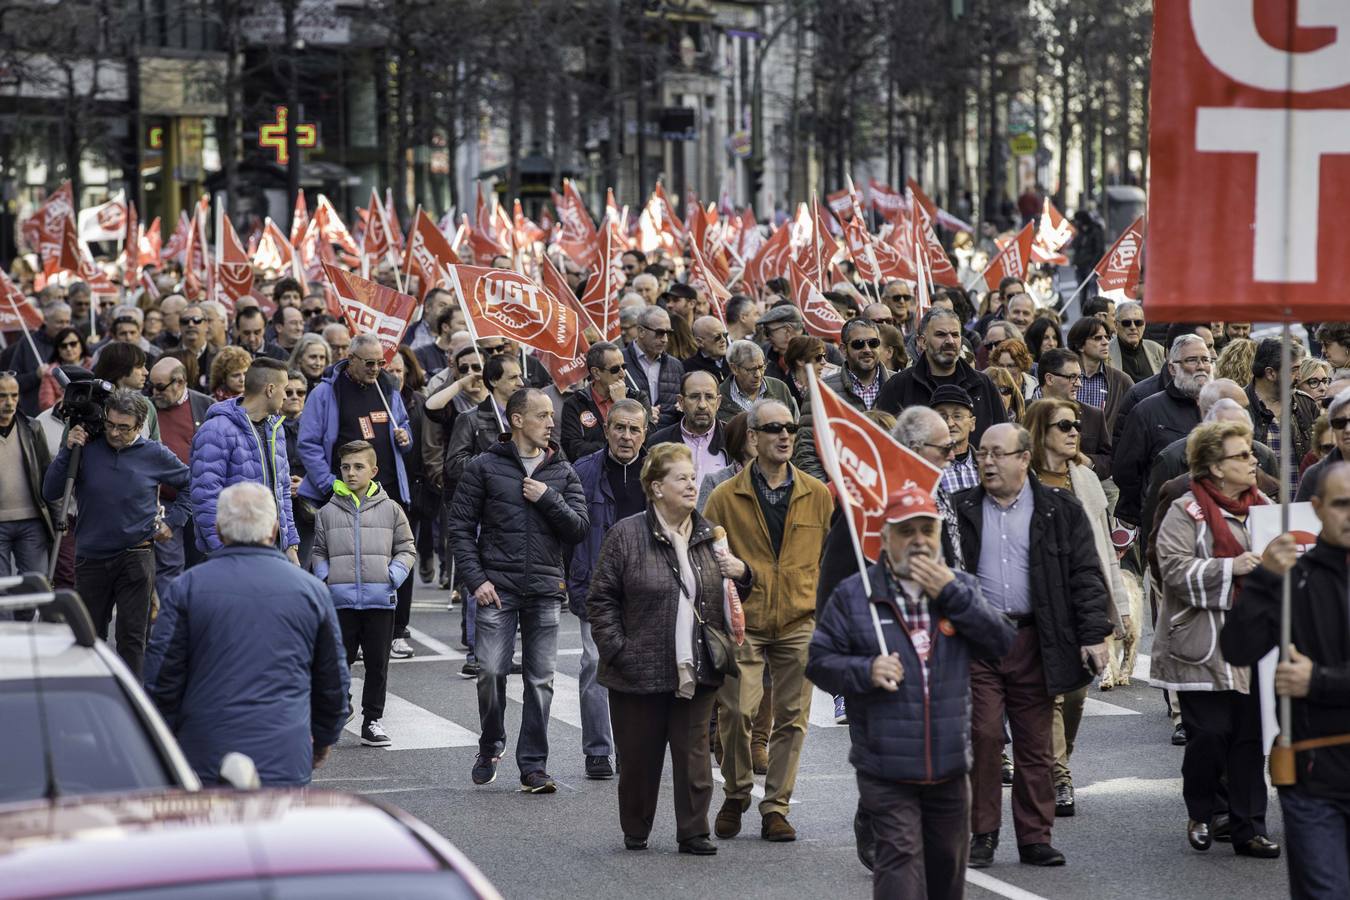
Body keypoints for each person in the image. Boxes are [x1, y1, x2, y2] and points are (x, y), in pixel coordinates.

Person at [809, 486, 1015, 898]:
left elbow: (1001, 642)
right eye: (907, 531)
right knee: (900, 864)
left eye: (927, 529)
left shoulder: (959, 587)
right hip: (886, 768)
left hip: (950, 765)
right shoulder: (857, 595)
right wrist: (865, 669)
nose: (919, 540)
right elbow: (819, 662)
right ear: (885, 539)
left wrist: (952, 595)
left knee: (945, 871)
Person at [954, 423, 1113, 868]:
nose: (987, 461)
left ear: (1024, 458)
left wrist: (1093, 635)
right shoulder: (959, 508)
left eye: (998, 453)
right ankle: (982, 833)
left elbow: (1085, 574)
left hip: (1036, 639)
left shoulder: (1059, 508)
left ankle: (1034, 837)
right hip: (980, 639)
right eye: (982, 453)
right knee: (983, 736)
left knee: (1036, 745)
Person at [586, 442, 753, 854]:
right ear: (656, 487)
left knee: (695, 755)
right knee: (640, 760)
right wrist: (618, 649)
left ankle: (694, 830)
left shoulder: (708, 533)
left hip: (696, 666)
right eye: (682, 478)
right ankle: (636, 828)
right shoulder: (626, 534)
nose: (692, 485)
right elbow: (601, 599)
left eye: (694, 478)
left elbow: (729, 595)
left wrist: (743, 573)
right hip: (636, 668)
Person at [142, 482, 348, 786]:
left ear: (219, 529)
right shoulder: (311, 591)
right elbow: (332, 681)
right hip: (285, 752)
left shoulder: (187, 588)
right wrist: (324, 739)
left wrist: (165, 737)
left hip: (206, 752)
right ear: (275, 529)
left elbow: (162, 677)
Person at [703, 399, 833, 843]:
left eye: (791, 428)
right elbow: (705, 559)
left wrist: (827, 613)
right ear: (752, 437)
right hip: (745, 622)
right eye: (773, 428)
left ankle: (775, 806)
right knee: (737, 711)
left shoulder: (818, 494)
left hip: (800, 620)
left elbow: (831, 560)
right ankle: (737, 791)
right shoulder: (725, 496)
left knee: (792, 719)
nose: (784, 436)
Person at [447, 388, 588, 793]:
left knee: (540, 681)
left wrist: (548, 499)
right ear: (517, 420)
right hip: (498, 589)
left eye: (551, 415)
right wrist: (477, 580)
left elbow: (579, 528)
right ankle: (491, 743)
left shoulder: (561, 470)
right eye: (542, 415)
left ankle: (533, 766)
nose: (550, 422)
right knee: (490, 672)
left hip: (544, 589)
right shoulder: (483, 467)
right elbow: (459, 528)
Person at [1152, 420, 1280, 859]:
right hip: (1201, 646)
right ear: (1213, 466)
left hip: (1254, 645)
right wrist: (1232, 568)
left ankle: (1249, 828)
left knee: (1248, 738)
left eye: (1251, 453)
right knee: (1209, 735)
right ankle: (1201, 809)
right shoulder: (1185, 511)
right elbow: (1172, 569)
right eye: (1242, 455)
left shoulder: (1265, 509)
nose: (1253, 461)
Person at [1221, 462, 1350, 897]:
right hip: (1313, 774)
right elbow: (1237, 650)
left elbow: (1316, 680)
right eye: (1341, 504)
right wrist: (1262, 581)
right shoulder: (1294, 578)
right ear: (1317, 508)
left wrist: (1319, 682)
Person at [1024, 398, 1129, 817]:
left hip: (1082, 599)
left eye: (1076, 425)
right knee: (1046, 693)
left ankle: (1058, 758)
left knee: (1074, 695)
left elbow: (1104, 546)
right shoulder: (1023, 478)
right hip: (1037, 600)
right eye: (1063, 425)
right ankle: (1058, 776)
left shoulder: (1084, 477)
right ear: (1039, 432)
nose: (1073, 432)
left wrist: (1115, 604)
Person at [42, 389, 192, 677]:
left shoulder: (154, 454)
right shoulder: (88, 448)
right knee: (89, 637)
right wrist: (68, 450)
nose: (114, 432)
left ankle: (130, 704)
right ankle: (90, 694)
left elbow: (189, 484)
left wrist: (173, 522)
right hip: (91, 557)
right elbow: (50, 490)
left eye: (123, 428)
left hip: (135, 555)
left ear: (139, 426)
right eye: (110, 424)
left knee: (133, 638)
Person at [311, 440, 416, 749]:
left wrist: (392, 576)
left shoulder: (391, 509)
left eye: (358, 467)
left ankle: (372, 720)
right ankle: (341, 706)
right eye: (345, 467)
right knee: (339, 660)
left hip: (379, 601)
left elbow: (406, 548)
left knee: (377, 664)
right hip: (340, 601)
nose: (351, 473)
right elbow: (318, 550)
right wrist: (325, 576)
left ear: (374, 470)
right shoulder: (328, 511)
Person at [567, 399, 649, 781]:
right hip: (597, 585)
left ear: (644, 433)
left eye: (634, 429)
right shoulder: (582, 471)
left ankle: (639, 745)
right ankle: (599, 751)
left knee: (645, 670)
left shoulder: (657, 470)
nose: (626, 436)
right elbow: (566, 530)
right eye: (619, 427)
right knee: (594, 666)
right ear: (606, 429)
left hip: (649, 586)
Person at [189, 357, 300, 562]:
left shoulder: (276, 428)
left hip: (273, 552)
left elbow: (283, 491)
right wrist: (222, 552)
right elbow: (205, 497)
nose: (286, 396)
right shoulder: (216, 430)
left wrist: (290, 543)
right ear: (270, 389)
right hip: (232, 554)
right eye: (284, 389)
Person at [297, 334, 413, 518]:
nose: (375, 369)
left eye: (380, 363)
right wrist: (328, 484)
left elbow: (404, 426)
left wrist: (405, 438)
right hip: (342, 497)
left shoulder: (388, 389)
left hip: (387, 493)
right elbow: (308, 444)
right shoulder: (325, 393)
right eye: (369, 363)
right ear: (351, 359)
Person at [1113, 334, 1212, 526]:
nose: (1201, 366)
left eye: (1206, 359)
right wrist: (1150, 506)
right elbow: (1125, 473)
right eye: (1192, 360)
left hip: (1214, 518)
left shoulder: (1221, 407)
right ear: (1172, 368)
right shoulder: (1147, 411)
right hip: (1165, 520)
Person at [877, 307, 1005, 444]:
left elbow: (1001, 437)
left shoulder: (983, 384)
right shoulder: (898, 386)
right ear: (922, 342)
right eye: (941, 335)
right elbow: (885, 443)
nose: (950, 341)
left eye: (955, 335)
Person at [147, 358, 212, 597]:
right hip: (163, 501)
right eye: (151, 386)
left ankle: (195, 619)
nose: (154, 393)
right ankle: (171, 623)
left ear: (180, 382)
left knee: (200, 564)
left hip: (200, 500)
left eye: (160, 387)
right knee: (169, 567)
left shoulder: (206, 406)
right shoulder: (147, 408)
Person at [1247, 338, 1320, 493]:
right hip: (1259, 507)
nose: (1299, 376)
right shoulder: (1239, 406)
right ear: (1270, 373)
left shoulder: (1306, 404)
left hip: (1303, 506)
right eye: (1294, 370)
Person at [0, 373, 53, 583]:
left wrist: (58, 518)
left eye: (14, 395)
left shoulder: (32, 428)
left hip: (32, 520)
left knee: (35, 585)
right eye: (2, 396)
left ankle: (26, 617)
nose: (9, 402)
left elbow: (47, 473)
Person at [1036, 348, 1112, 479]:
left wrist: (1086, 461)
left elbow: (1108, 461)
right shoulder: (1023, 411)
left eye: (1079, 377)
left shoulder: (1093, 416)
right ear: (1049, 379)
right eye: (1072, 377)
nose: (1079, 384)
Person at [647, 371, 728, 483]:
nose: (702, 405)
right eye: (694, 397)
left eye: (709, 397)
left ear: (718, 402)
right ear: (681, 402)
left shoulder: (734, 439)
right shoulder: (659, 442)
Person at [561, 341, 633, 461]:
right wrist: (616, 448)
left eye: (624, 366)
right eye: (615, 369)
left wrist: (621, 404)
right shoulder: (575, 404)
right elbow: (574, 449)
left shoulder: (637, 397)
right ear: (596, 373)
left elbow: (646, 439)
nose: (623, 374)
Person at [1067, 316, 1135, 435]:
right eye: (1098, 338)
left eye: (1107, 337)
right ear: (1080, 345)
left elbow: (1135, 418)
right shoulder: (1063, 377)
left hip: (1105, 451)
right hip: (1068, 447)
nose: (1105, 342)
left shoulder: (1121, 381)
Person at [624, 306, 684, 429]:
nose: (665, 340)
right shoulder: (620, 362)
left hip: (667, 441)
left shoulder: (676, 366)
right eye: (660, 333)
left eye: (668, 333)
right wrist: (642, 412)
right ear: (641, 331)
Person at [718, 339, 799, 423]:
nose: (758, 375)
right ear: (734, 369)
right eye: (751, 370)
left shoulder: (780, 388)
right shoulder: (718, 396)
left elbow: (794, 425)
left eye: (761, 367)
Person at [823, 318, 892, 413]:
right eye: (858, 344)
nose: (867, 350)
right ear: (843, 350)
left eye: (873, 343)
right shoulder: (823, 390)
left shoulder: (902, 383)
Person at [1298, 389, 1350, 501]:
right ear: (1333, 429)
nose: (1347, 429)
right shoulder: (1314, 476)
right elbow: (1300, 517)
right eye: (1340, 423)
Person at [932, 385, 980, 494]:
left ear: (972, 423)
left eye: (957, 416)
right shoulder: (926, 470)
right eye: (942, 417)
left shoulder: (987, 466)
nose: (950, 423)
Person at [1109, 301, 1164, 383]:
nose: (1133, 327)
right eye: (1126, 323)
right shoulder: (1106, 352)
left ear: (1144, 324)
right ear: (1116, 325)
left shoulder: (1157, 350)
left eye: (1138, 322)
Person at [684, 315, 732, 382]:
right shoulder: (688, 368)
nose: (723, 340)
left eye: (725, 335)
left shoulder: (736, 362)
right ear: (699, 342)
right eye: (717, 337)